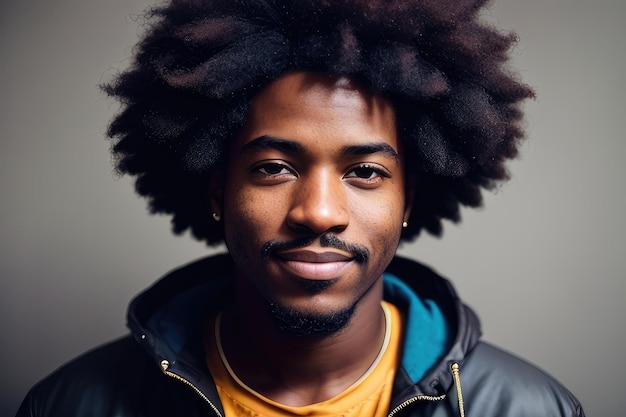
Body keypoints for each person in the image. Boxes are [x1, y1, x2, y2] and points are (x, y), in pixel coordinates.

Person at [17, 0, 585, 416]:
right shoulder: (70, 404)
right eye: (273, 168)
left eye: (365, 172)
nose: (317, 213)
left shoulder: (528, 408)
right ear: (217, 191)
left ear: (409, 198)